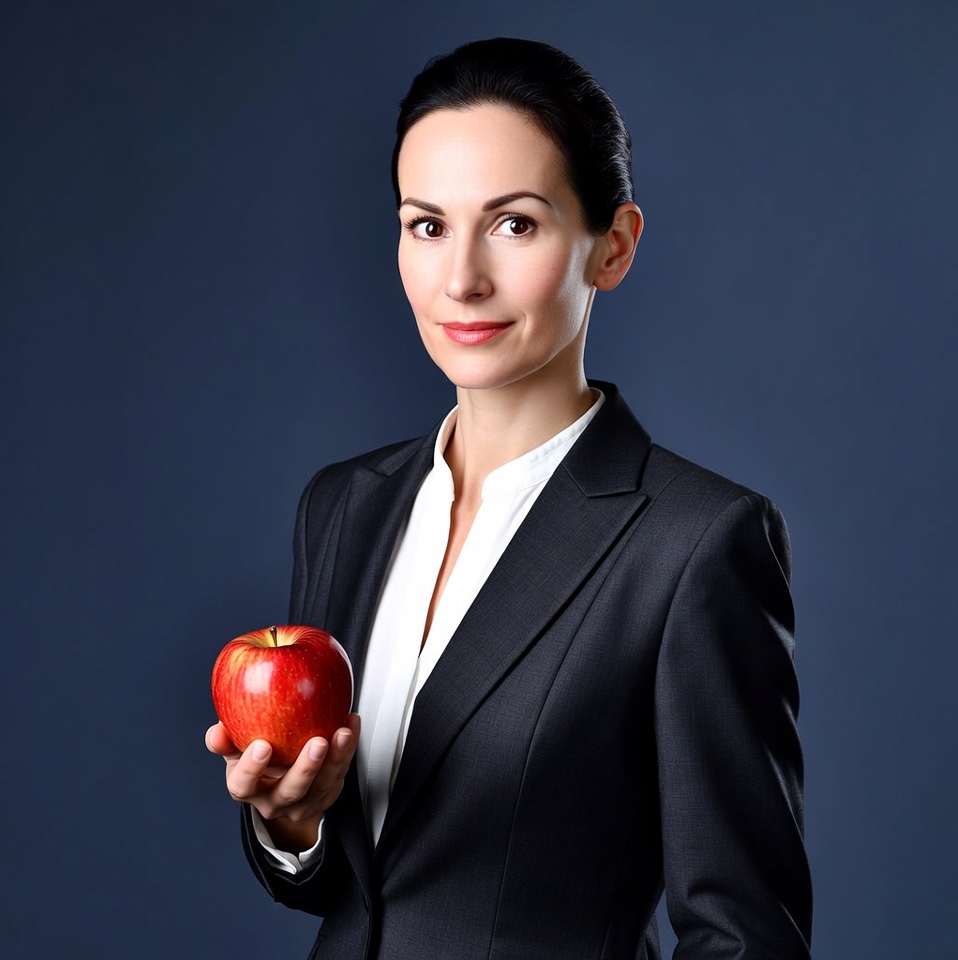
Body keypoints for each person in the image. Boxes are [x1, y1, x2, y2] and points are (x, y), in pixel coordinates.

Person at [206, 37, 813, 959]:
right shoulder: (344, 507)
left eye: (515, 223)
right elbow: (361, 888)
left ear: (612, 246)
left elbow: (745, 937)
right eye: (427, 224)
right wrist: (294, 829)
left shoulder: (698, 542)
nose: (462, 280)